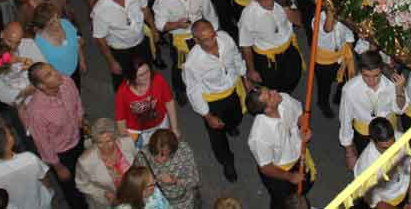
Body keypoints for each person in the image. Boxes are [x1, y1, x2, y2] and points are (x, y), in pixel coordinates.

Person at [182, 20, 248, 181]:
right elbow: (193, 91)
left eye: (213, 36)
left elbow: (236, 57)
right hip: (212, 101)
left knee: (236, 118)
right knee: (217, 136)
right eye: (206, 40)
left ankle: (231, 126)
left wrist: (244, 76)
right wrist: (207, 116)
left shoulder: (225, 39)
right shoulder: (193, 63)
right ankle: (227, 162)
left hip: (231, 91)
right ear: (196, 41)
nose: (212, 42)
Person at [24, 62, 87, 209]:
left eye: (52, 69)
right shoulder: (36, 112)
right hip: (62, 154)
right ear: (41, 86)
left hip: (78, 136)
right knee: (71, 189)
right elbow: (43, 144)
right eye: (49, 75)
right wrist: (58, 167)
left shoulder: (67, 81)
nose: (56, 73)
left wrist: (80, 117)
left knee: (84, 171)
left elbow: (77, 101)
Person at [246, 86, 314, 209]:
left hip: (299, 156)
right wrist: (290, 176)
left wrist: (304, 127)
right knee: (282, 202)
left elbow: (300, 115)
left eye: (270, 90)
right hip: (279, 172)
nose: (275, 91)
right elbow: (266, 168)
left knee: (304, 187)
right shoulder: (258, 137)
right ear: (267, 109)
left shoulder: (284, 99)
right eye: (270, 95)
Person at [339, 50, 406, 166]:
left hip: (388, 129)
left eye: (376, 76)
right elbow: (345, 121)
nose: (371, 81)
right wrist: (349, 153)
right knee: (368, 164)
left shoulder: (391, 84)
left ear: (381, 71)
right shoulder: (350, 89)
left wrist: (399, 90)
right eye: (366, 76)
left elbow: (399, 110)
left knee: (390, 160)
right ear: (360, 71)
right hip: (364, 132)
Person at [93, 0, 156, 91]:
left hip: (141, 43)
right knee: (123, 83)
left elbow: (145, 9)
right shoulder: (100, 10)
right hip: (121, 51)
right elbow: (100, 39)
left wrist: (153, 29)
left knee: (147, 74)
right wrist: (111, 61)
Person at [239, 0, 304, 93]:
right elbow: (246, 45)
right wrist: (251, 70)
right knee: (273, 87)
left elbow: (299, 21)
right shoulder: (248, 15)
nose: (269, 2)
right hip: (267, 58)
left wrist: (286, 9)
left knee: (293, 77)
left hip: (288, 49)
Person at [0, 127, 55, 209]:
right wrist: (49, 192)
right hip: (42, 204)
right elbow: (45, 180)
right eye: (9, 135)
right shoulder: (29, 157)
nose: (12, 135)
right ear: (7, 144)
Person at [115, 55, 179, 145]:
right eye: (141, 75)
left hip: (160, 125)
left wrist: (174, 128)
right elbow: (121, 120)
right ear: (132, 76)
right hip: (137, 133)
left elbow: (169, 101)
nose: (146, 76)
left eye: (147, 71)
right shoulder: (122, 93)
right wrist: (126, 142)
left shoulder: (158, 79)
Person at [355, 116, 411, 209]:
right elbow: (378, 203)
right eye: (384, 148)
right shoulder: (366, 167)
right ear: (372, 141)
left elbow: (410, 169)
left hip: (404, 194)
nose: (391, 151)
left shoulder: (401, 138)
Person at [77, 118, 138, 209]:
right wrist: (103, 193)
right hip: (108, 204)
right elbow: (81, 184)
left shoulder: (128, 143)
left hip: (133, 194)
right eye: (100, 142)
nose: (105, 147)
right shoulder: (85, 161)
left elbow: (138, 164)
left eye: (109, 141)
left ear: (115, 138)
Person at [140, 129, 201, 209]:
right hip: (158, 201)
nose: (158, 159)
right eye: (155, 153)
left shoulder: (184, 151)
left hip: (183, 201)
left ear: (172, 151)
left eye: (163, 155)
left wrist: (175, 181)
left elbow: (195, 180)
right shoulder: (143, 155)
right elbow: (137, 182)